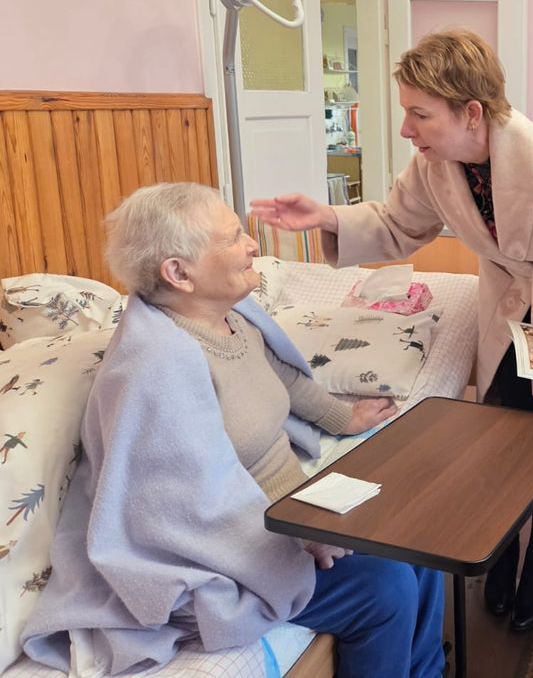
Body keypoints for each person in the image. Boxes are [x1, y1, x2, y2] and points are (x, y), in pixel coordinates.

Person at [250, 29, 533, 634]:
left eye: (419, 114)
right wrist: (328, 215)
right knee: (501, 438)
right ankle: (501, 551)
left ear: (471, 113)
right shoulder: (434, 166)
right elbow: (394, 224)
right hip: (507, 313)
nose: (407, 130)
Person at [21, 183, 444, 678]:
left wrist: (344, 418)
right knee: (384, 587)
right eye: (234, 238)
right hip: (233, 542)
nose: (254, 247)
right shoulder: (157, 365)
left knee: (424, 544)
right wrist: (303, 538)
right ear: (179, 273)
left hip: (290, 508)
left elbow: (283, 375)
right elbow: (183, 510)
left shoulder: (231, 316)